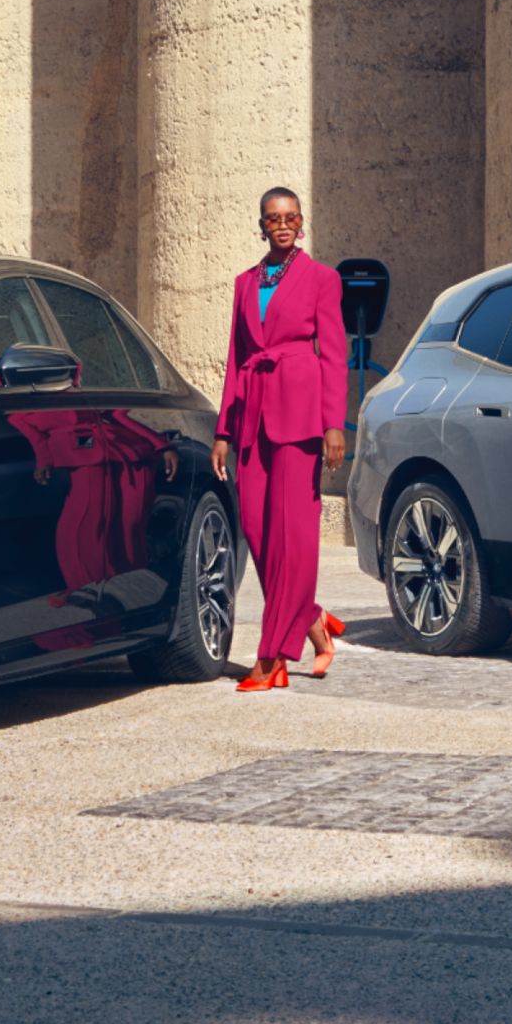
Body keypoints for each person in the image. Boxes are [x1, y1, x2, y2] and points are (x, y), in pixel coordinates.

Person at [211, 186, 349, 691]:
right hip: (252, 413)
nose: (283, 224)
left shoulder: (321, 280)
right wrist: (224, 430)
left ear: (302, 223)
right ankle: (312, 619)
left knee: (294, 534)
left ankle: (271, 658)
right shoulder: (245, 283)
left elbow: (333, 354)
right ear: (262, 225)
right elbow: (235, 356)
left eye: (291, 216)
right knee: (255, 525)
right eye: (274, 218)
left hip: (300, 415)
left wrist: (334, 423)